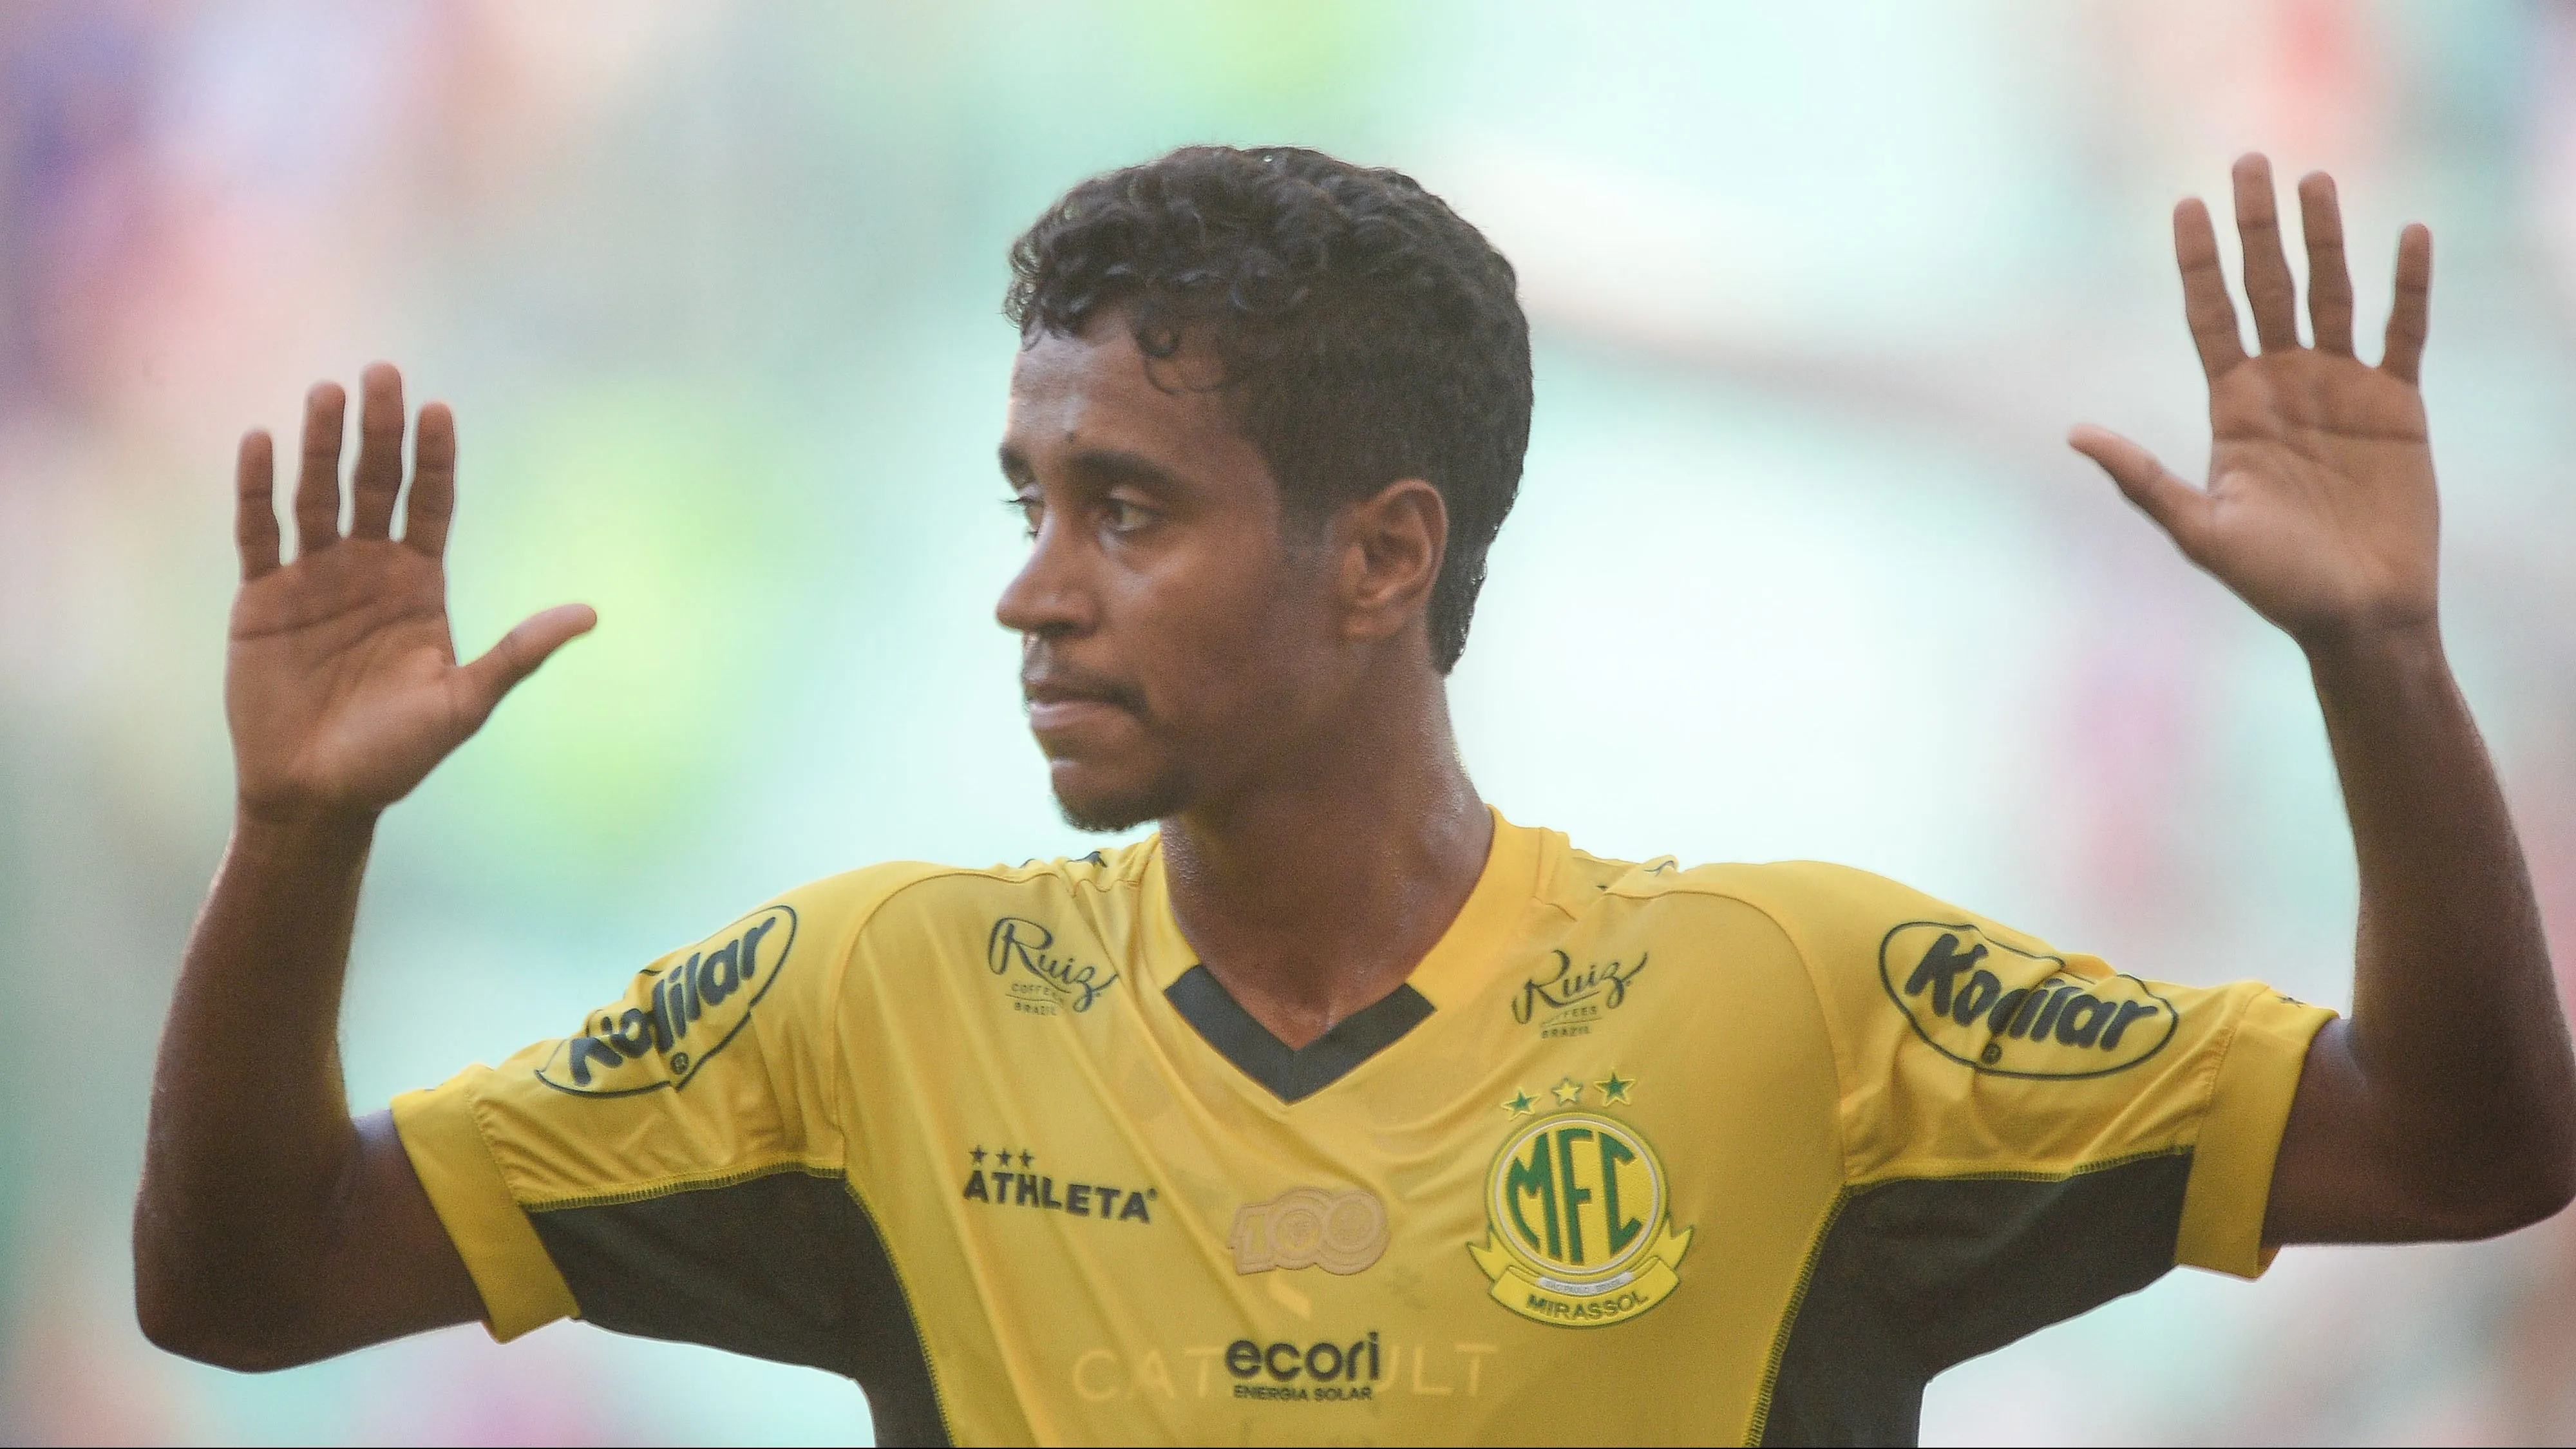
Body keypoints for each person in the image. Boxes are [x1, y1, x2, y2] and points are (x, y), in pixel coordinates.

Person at [131, 145, 2573, 1446]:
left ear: (1382, 555)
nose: (1034, 597)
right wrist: (300, 839)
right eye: (1024, 507)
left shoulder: (1803, 1009)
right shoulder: (866, 1005)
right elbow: (247, 1291)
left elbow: (2468, 1149)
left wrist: (2379, 664)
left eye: (1128, 513)